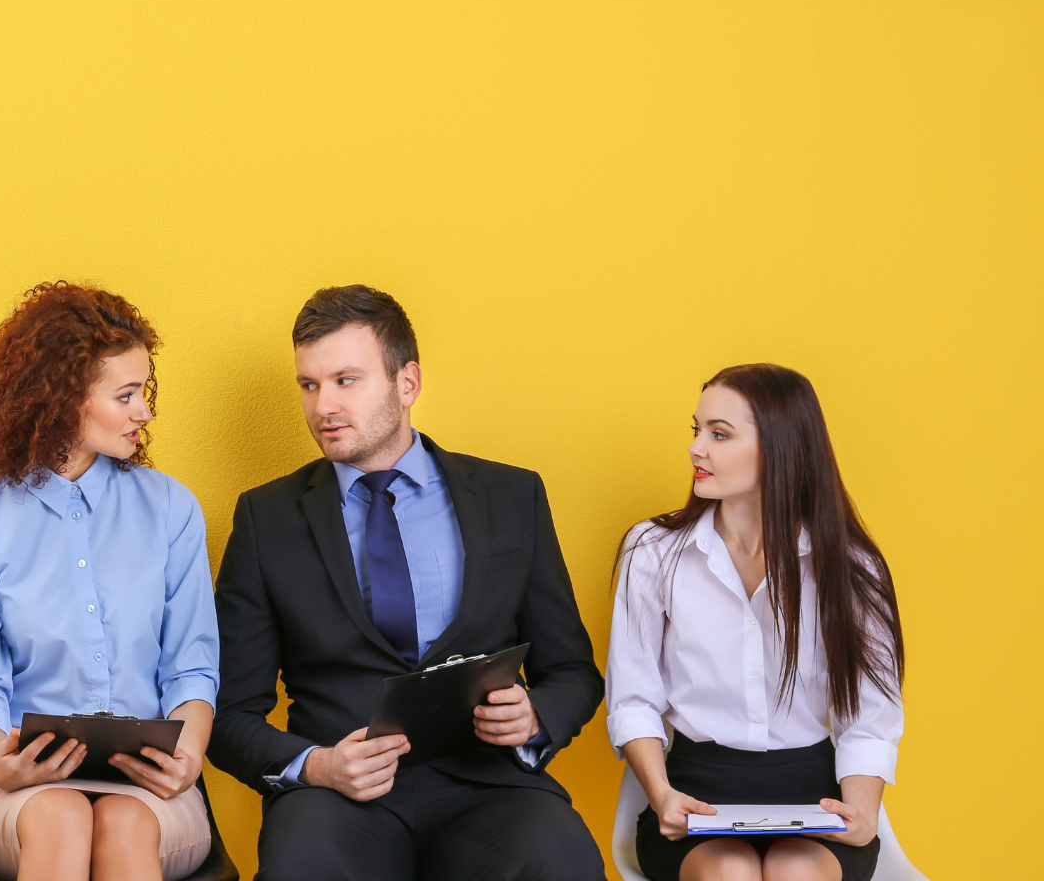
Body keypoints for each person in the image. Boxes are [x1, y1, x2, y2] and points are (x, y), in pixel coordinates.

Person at [207, 284, 606, 880]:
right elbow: (230, 713)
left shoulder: (511, 496)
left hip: (491, 786)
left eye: (347, 380)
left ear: (407, 383)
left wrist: (534, 719)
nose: (323, 407)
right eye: (309, 385)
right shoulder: (266, 519)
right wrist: (316, 766)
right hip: (335, 796)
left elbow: (572, 672)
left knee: (560, 860)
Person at [0, 282, 220, 881]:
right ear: (63, 399)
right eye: (125, 395)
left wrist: (190, 756)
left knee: (122, 822)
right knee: (62, 815)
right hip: (19, 790)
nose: (143, 411)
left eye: (143, 391)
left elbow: (190, 667)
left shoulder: (171, 509)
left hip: (150, 791)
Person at [607, 364, 905, 881]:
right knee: (729, 872)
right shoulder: (653, 551)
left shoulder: (852, 566)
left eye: (719, 434)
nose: (696, 449)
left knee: (796, 872)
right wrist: (662, 796)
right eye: (696, 430)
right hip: (696, 790)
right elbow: (633, 698)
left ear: (781, 448)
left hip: (816, 794)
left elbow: (870, 716)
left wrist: (862, 814)